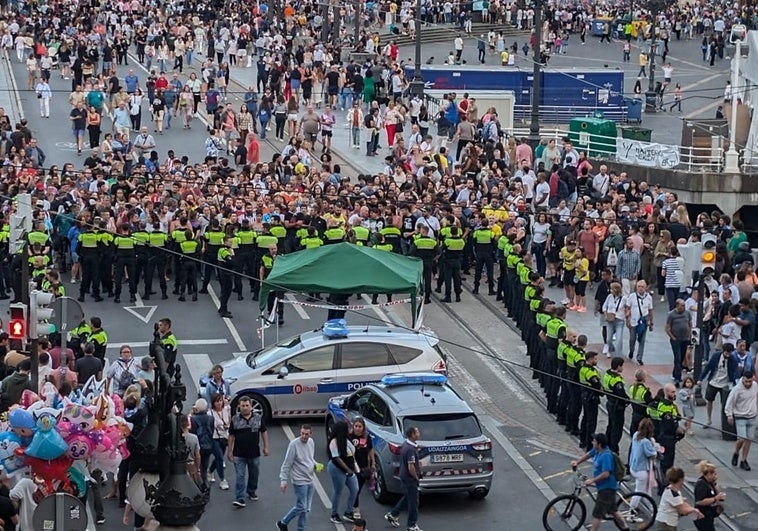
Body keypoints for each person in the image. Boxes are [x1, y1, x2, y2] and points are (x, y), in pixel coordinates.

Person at [570, 433, 629, 531]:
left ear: (599, 444)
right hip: (603, 487)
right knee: (613, 510)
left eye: (594, 441)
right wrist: (577, 462)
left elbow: (606, 473)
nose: (592, 442)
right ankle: (626, 529)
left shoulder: (606, 456)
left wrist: (592, 480)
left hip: (607, 488)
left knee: (597, 514)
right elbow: (589, 455)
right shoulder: (597, 451)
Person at [227, 395, 269, 507]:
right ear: (239, 407)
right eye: (242, 406)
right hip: (239, 454)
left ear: (251, 406)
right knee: (240, 476)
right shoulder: (235, 419)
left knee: (254, 474)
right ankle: (240, 498)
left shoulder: (258, 418)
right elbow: (231, 436)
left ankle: (251, 491)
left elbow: (264, 432)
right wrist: (229, 451)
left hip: (254, 453)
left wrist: (266, 446)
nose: (245, 408)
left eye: (247, 405)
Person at [277, 424, 318, 531]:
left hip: (309, 479)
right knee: (301, 506)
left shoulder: (311, 442)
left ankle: (301, 529)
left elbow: (309, 458)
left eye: (307, 434)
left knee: (306, 509)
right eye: (302, 433)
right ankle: (283, 522)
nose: (304, 436)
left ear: (311, 434)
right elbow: (287, 463)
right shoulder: (294, 445)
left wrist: (315, 464)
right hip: (299, 480)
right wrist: (283, 480)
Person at [384, 426, 423, 531]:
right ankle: (412, 525)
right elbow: (411, 467)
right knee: (414, 502)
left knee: (407, 497)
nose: (419, 433)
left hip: (404, 476)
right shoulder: (410, 449)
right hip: (410, 479)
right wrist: (416, 477)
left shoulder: (406, 445)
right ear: (413, 435)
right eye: (417, 432)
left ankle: (393, 514)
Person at [327, 420, 360, 524]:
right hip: (337, 469)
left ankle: (348, 512)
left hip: (349, 469)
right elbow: (336, 458)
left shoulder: (346, 439)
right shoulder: (334, 442)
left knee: (355, 489)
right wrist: (347, 470)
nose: (348, 430)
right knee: (338, 491)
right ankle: (334, 514)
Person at [724, 370, 758, 471]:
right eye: (746, 381)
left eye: (750, 381)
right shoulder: (737, 389)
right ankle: (736, 452)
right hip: (740, 417)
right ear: (743, 379)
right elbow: (730, 403)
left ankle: (744, 460)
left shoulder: (755, 386)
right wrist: (729, 415)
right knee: (741, 439)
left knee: (749, 439)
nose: (748, 384)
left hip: (752, 416)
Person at [698, 345, 739, 426]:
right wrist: (700, 379)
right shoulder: (716, 356)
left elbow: (735, 372)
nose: (728, 355)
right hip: (713, 381)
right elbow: (708, 367)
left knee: (724, 403)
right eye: (726, 352)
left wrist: (735, 383)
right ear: (723, 351)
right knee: (709, 400)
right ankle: (708, 419)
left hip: (725, 384)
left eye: (730, 353)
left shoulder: (733, 359)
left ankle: (723, 422)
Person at [629, 418, 658, 510]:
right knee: (639, 492)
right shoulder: (646, 442)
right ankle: (631, 510)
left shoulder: (635, 435)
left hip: (633, 467)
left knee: (645, 491)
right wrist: (655, 448)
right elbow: (652, 454)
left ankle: (652, 508)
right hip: (641, 470)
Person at [350, 418, 376, 520]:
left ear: (363, 428)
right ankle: (356, 508)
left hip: (363, 467)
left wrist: (373, 463)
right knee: (354, 488)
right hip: (352, 467)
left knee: (358, 489)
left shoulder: (366, 437)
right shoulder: (349, 437)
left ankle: (352, 504)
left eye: (359, 426)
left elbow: (370, 450)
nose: (357, 428)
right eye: (356, 426)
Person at [626, 279, 655, 364]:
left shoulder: (649, 297)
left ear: (645, 288)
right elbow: (627, 308)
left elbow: (650, 310)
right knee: (632, 339)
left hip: (644, 320)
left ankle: (639, 357)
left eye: (642, 287)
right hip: (634, 320)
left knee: (642, 340)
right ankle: (631, 351)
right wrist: (627, 319)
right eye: (639, 286)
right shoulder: (632, 296)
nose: (640, 288)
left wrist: (651, 322)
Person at [665, 299, 691, 387]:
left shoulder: (687, 313)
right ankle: (677, 377)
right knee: (678, 357)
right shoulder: (671, 315)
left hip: (685, 339)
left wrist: (689, 334)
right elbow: (667, 327)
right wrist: (673, 337)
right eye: (682, 305)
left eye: (684, 305)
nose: (684, 307)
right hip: (676, 340)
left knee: (681, 357)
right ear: (677, 306)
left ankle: (674, 372)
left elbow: (690, 324)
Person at [207, 393, 231, 490]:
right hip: (214, 437)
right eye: (217, 401)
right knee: (220, 458)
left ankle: (210, 471)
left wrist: (227, 426)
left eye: (220, 401)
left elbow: (229, 420)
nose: (219, 403)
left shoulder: (226, 410)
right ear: (213, 403)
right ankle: (222, 479)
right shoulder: (210, 413)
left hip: (224, 436)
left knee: (218, 457)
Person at [693, 461, 725, 531]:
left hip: (708, 516)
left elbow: (716, 493)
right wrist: (715, 499)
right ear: (709, 474)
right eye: (714, 474)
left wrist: (715, 484)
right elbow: (700, 501)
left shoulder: (709, 483)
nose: (715, 476)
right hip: (702, 517)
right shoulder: (701, 485)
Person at [190, 398, 215, 487]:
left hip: (198, 445)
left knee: (196, 465)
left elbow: (192, 432)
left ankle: (197, 484)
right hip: (208, 445)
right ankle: (204, 483)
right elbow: (212, 431)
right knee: (205, 465)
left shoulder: (193, 419)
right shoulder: (211, 419)